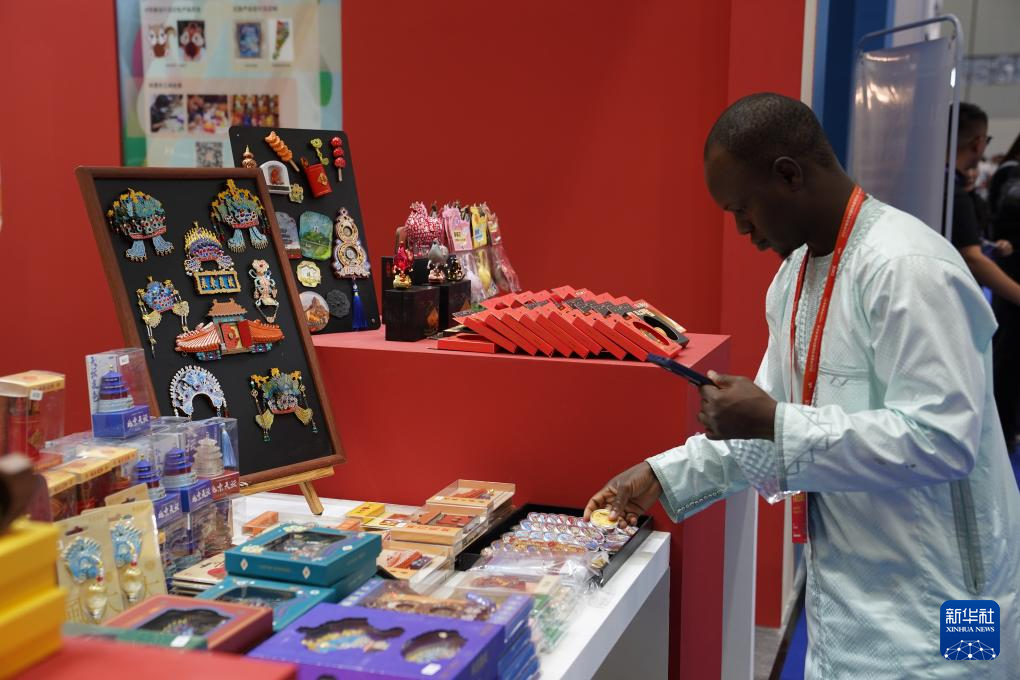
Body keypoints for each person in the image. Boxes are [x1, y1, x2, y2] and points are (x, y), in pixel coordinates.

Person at [585, 93, 1020, 678]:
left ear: (788, 175)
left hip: (951, 610)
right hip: (848, 609)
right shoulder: (793, 278)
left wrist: (774, 420)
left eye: (743, 207)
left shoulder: (908, 267)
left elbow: (942, 440)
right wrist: (661, 475)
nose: (742, 228)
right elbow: (772, 430)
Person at [950, 104, 1020, 306]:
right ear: (978, 143)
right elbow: (972, 258)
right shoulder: (955, 193)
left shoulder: (945, 186)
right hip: (958, 298)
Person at [989, 132, 1020, 450]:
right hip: (1010, 276)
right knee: (1008, 353)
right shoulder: (1009, 174)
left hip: (1007, 273)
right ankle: (1004, 429)